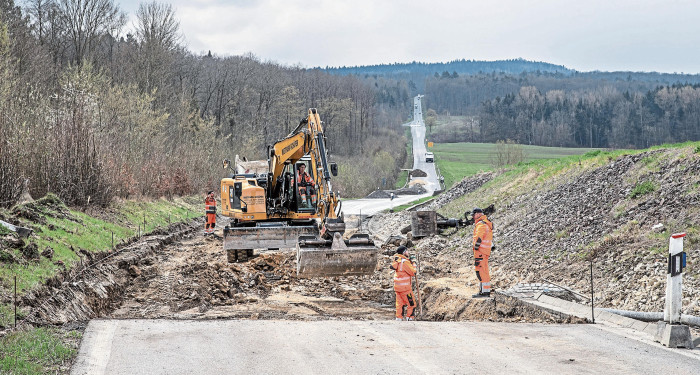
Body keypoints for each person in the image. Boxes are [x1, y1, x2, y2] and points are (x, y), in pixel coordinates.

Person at [471, 207, 494, 298]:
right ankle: (484, 291)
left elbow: (478, 239)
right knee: (483, 271)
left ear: (478, 214)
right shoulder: (486, 223)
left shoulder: (481, 225)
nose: (472, 217)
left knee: (481, 272)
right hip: (484, 252)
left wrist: (475, 248)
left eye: (473, 215)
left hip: (480, 252)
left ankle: (484, 292)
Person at [390, 245, 417, 320]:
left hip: (398, 288)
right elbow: (413, 272)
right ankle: (409, 318)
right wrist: (414, 263)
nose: (408, 252)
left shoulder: (397, 261)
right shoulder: (405, 262)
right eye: (407, 251)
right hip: (405, 289)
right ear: (404, 252)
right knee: (411, 304)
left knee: (399, 304)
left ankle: (399, 318)